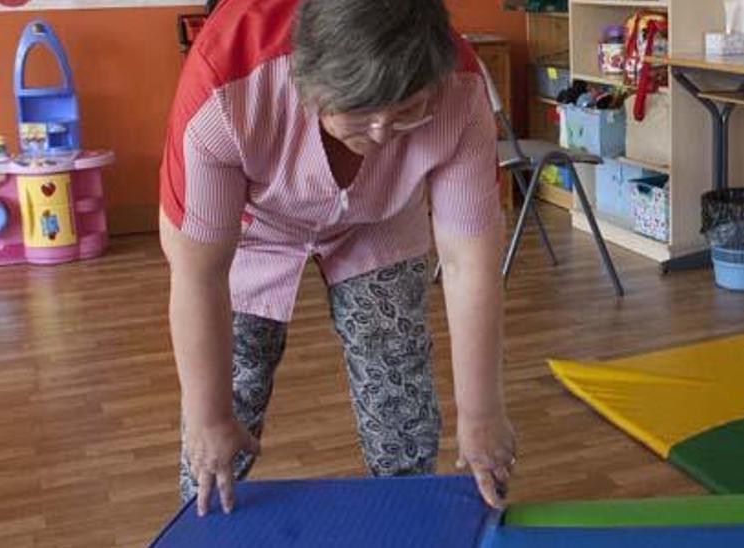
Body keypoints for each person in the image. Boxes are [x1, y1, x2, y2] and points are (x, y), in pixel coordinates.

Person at [159, 0, 514, 517]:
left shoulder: (458, 90)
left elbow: (468, 262)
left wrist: (482, 413)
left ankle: (406, 522)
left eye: (405, 113)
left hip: (381, 216)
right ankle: (201, 520)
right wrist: (208, 419)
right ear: (310, 81)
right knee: (223, 405)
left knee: (401, 401)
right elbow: (198, 274)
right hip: (254, 225)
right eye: (360, 111)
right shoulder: (224, 85)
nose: (379, 134)